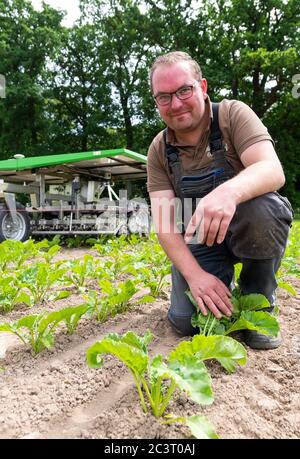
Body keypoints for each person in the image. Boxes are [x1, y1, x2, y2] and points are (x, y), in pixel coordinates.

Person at [146, 51, 293, 349]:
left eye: (184, 90)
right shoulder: (159, 150)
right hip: (201, 238)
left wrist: (227, 193)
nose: (175, 103)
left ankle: (258, 299)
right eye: (164, 97)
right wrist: (196, 276)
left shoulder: (232, 115)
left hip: (248, 226)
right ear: (156, 101)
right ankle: (217, 283)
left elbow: (272, 169)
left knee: (266, 208)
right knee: (187, 323)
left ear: (202, 87)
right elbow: (163, 225)